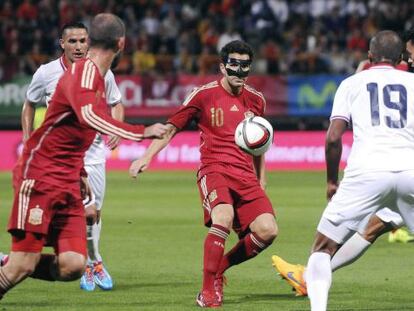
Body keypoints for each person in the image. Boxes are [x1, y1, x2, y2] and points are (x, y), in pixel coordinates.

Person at [0, 13, 167, 300]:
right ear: (122, 43)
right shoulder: (83, 73)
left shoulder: (99, 77)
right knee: (23, 265)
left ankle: (10, 263)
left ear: (89, 41)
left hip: (68, 175)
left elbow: (73, 133)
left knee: (73, 265)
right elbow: (88, 116)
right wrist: (142, 131)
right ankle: (12, 266)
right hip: (40, 175)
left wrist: (80, 172)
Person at [129, 40, 278, 308]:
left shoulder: (257, 100)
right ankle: (208, 290)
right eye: (233, 64)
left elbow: (259, 145)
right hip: (214, 168)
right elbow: (171, 127)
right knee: (224, 216)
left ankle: (219, 268)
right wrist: (147, 156)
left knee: (268, 231)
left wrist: (261, 177)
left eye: (245, 65)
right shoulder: (202, 95)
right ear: (222, 66)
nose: (239, 71)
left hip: (245, 174)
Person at [272, 28, 414, 298]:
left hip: (367, 170)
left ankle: (308, 277)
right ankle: (306, 277)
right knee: (376, 224)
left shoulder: (352, 83)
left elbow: (333, 137)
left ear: (370, 56)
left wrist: (331, 181)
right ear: (401, 57)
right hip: (409, 169)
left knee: (324, 247)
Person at [20, 21, 123, 292]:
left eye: (83, 41)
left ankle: (92, 263)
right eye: (73, 41)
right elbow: (29, 104)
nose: (79, 46)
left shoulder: (102, 71)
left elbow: (116, 103)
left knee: (94, 212)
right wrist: (28, 138)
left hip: (93, 155)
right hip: (58, 157)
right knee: (57, 212)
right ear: (62, 43)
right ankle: (19, 260)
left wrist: (117, 129)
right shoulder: (46, 73)